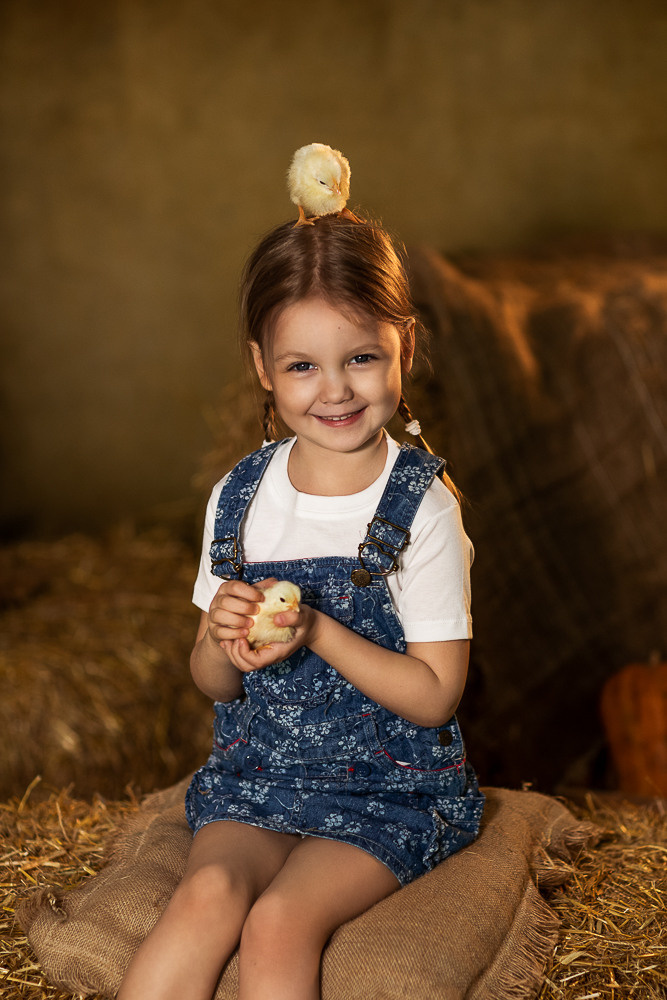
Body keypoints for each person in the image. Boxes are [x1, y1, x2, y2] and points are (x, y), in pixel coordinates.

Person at [118, 204, 484, 1000]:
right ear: (261, 367)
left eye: (359, 357)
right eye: (301, 366)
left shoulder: (421, 508)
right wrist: (219, 640)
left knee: (278, 922)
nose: (335, 390)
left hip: (393, 791)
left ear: (406, 347)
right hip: (256, 779)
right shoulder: (240, 496)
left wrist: (316, 628)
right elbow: (215, 684)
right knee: (205, 896)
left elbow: (434, 697)